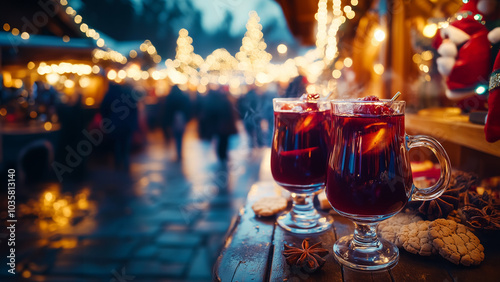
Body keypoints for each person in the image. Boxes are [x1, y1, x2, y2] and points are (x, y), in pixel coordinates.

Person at [100, 81, 139, 172]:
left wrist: (107, 120)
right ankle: (125, 162)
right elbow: (134, 111)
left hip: (115, 124)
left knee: (117, 143)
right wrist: (133, 124)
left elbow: (103, 108)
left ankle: (118, 163)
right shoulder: (128, 94)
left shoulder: (110, 94)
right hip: (127, 125)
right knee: (125, 144)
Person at [204, 86, 238, 161]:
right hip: (224, 125)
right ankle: (222, 155)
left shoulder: (219, 101)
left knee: (222, 141)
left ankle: (222, 155)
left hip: (221, 125)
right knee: (223, 141)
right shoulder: (225, 101)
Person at [162, 85, 192, 161]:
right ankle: (179, 153)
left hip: (173, 120)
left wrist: (167, 122)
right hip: (182, 119)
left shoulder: (170, 97)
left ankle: (178, 153)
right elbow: (189, 108)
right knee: (180, 136)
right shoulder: (184, 97)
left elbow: (167, 110)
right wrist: (187, 118)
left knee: (176, 136)